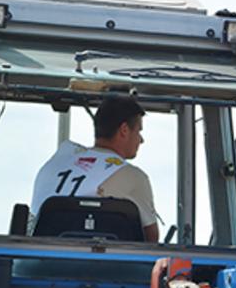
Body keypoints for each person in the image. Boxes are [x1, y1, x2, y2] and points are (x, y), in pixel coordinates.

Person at [30, 95, 159, 242]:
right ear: (124, 130)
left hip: (46, 262)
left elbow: (31, 227)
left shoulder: (50, 168)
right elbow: (151, 240)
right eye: (138, 131)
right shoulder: (134, 177)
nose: (141, 140)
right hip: (113, 264)